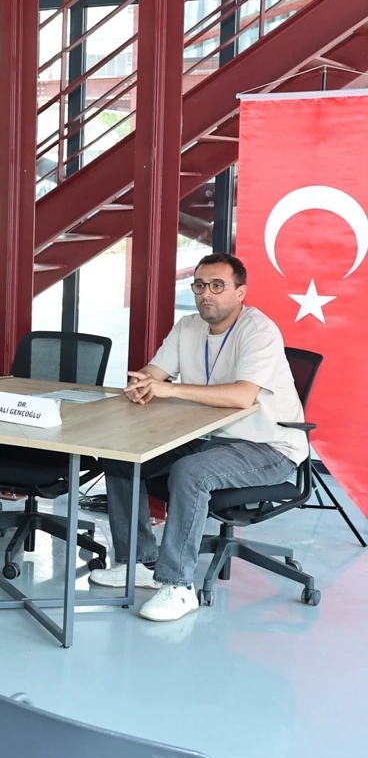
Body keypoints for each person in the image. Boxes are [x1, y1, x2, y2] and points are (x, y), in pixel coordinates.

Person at [89, 253, 305, 623]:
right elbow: (154, 372)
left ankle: (178, 586)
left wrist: (169, 390)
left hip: (267, 444)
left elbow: (242, 396)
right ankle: (137, 562)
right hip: (205, 437)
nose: (207, 294)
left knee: (191, 472)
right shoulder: (187, 327)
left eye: (218, 286)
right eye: (200, 285)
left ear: (240, 292)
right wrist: (143, 383)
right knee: (123, 454)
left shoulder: (259, 330)